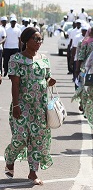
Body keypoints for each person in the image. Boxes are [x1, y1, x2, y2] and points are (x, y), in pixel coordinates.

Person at [4, 27, 56, 185]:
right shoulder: (16, 59)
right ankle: (10, 159)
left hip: (40, 107)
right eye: (35, 39)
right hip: (22, 105)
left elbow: (46, 78)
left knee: (37, 140)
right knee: (19, 138)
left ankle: (33, 173)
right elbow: (15, 84)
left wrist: (50, 81)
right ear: (26, 40)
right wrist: (16, 105)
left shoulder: (44, 59)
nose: (38, 42)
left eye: (40, 39)